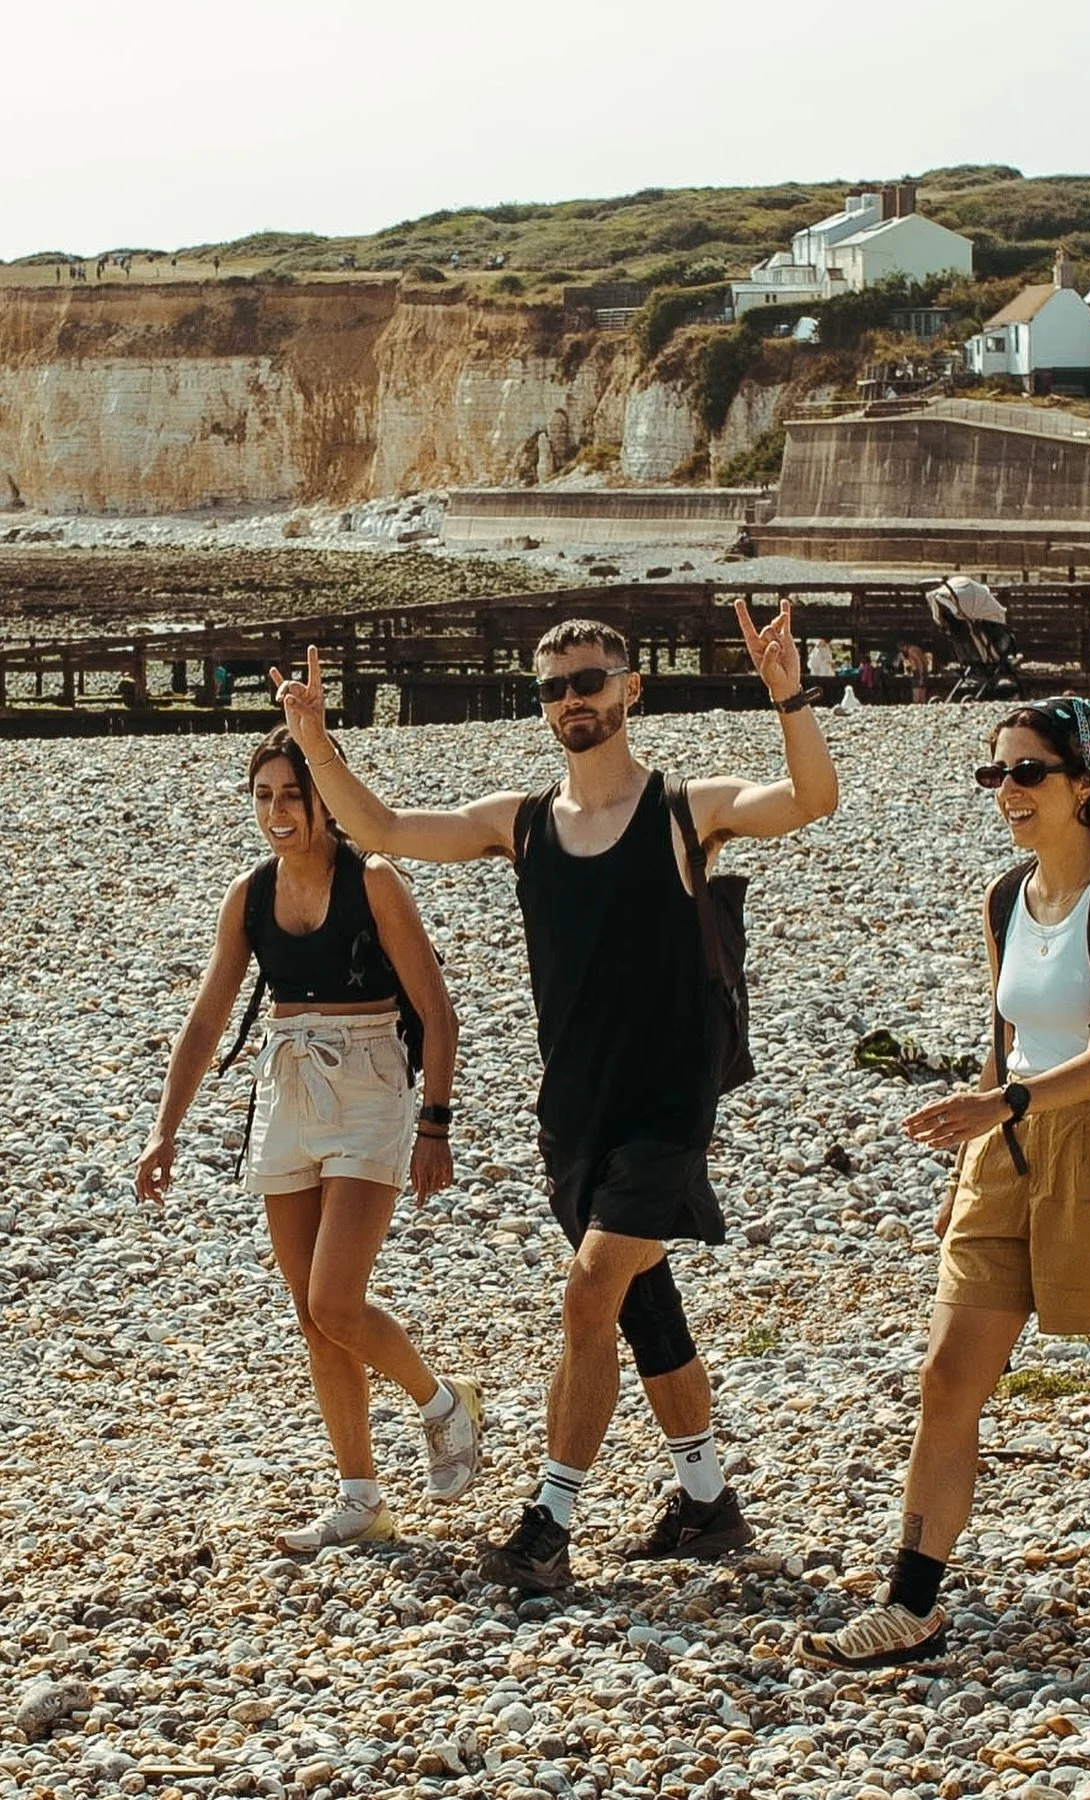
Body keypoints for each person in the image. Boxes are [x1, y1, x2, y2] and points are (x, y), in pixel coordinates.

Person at [268, 605, 838, 1592]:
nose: (573, 699)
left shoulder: (683, 809)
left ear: (630, 689)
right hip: (573, 1114)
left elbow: (809, 799)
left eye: (589, 681)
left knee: (587, 1295)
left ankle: (550, 1522)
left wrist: (788, 695)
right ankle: (707, 1504)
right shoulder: (522, 823)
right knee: (642, 1304)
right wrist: (316, 743)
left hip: (667, 1111)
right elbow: (384, 829)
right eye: (554, 688)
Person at [796, 697, 1090, 1672]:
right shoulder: (1006, 897)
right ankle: (910, 1604)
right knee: (947, 1377)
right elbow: (1005, 1040)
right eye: (994, 773)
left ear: (1085, 784)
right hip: (1004, 1150)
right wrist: (970, 1155)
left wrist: (998, 1105)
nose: (1005, 791)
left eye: (1026, 772)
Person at [135, 726, 480, 1552]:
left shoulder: (376, 881)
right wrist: (163, 1130)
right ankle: (360, 1498)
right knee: (313, 1317)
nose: (277, 811)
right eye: (263, 796)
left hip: (369, 1084)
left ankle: (442, 1403)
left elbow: (437, 1012)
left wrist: (435, 1124)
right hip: (286, 1086)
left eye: (292, 794)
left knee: (336, 1299)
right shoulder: (250, 895)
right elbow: (207, 1019)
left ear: (324, 801)